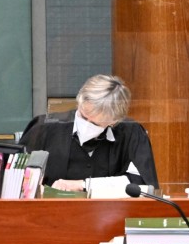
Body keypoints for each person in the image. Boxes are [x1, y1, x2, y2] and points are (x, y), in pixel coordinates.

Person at [20, 74, 158, 190]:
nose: (86, 125)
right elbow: (18, 177)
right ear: (79, 103)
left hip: (112, 216)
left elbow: (143, 184)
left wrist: (84, 185)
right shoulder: (45, 128)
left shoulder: (131, 133)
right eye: (83, 116)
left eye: (94, 123)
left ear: (113, 121)